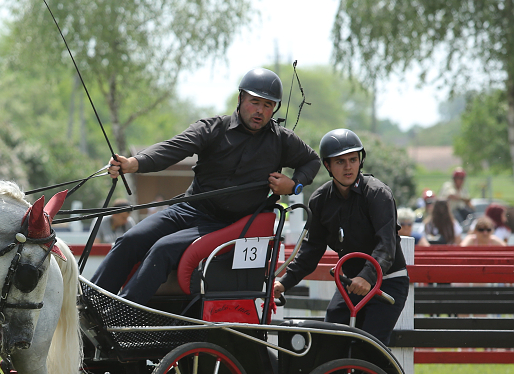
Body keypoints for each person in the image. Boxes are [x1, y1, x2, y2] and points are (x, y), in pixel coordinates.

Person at [90, 67, 320, 304]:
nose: (260, 111)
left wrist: (294, 186)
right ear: (241, 98)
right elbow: (173, 148)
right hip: (189, 209)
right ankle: (89, 304)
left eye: (268, 105)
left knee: (163, 249)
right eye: (255, 102)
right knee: (131, 239)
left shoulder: (282, 140)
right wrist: (133, 163)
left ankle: (123, 313)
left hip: (228, 225)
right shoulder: (213, 128)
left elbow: (312, 161)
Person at [272, 129, 407, 346]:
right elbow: (311, 250)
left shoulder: (378, 194)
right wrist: (284, 283)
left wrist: (367, 276)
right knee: (329, 343)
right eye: (340, 161)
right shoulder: (320, 200)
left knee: (369, 349)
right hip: (350, 284)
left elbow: (386, 245)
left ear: (360, 161)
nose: (348, 167)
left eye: (353, 159)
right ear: (327, 165)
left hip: (387, 283)